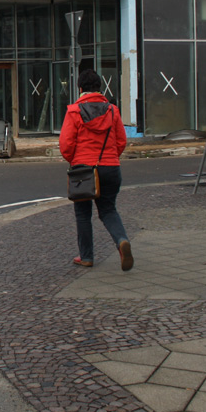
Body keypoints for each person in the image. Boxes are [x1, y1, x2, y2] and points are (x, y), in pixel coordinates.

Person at [59, 69, 133, 271]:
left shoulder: (74, 111)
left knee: (83, 214)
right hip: (110, 167)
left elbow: (66, 144)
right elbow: (121, 141)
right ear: (99, 88)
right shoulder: (112, 110)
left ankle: (87, 256)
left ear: (80, 88)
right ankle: (121, 241)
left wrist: (75, 160)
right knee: (108, 210)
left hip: (83, 169)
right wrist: (110, 158)